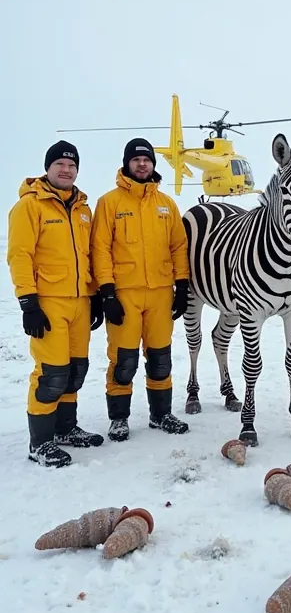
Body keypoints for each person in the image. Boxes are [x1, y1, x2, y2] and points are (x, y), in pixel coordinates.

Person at [7, 141, 104, 467]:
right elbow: (20, 255)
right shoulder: (29, 207)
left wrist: (95, 297)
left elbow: (88, 256)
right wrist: (28, 302)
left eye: (72, 165)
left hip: (79, 302)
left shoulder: (83, 209)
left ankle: (66, 428)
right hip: (48, 302)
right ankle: (41, 442)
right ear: (48, 168)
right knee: (52, 374)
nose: (66, 170)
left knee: (76, 371)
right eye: (60, 164)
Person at [91, 138, 191, 441]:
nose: (142, 164)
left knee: (161, 358)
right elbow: (100, 249)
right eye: (136, 160)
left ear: (153, 164)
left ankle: (161, 415)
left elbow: (178, 246)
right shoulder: (110, 203)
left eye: (147, 159)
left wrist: (182, 286)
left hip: (161, 293)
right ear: (126, 164)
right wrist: (106, 292)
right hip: (124, 295)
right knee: (124, 361)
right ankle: (119, 419)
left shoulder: (166, 204)